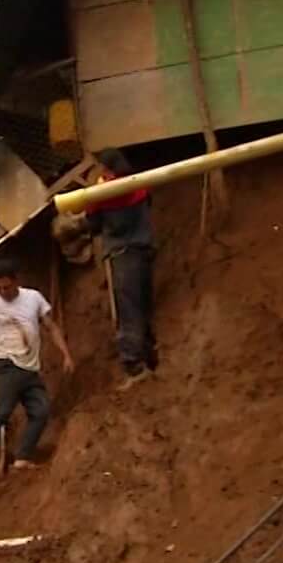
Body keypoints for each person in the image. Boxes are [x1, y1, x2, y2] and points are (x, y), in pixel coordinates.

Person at [0, 260, 73, 483]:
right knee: (2, 411)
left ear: (16, 282)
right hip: (5, 365)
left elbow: (50, 326)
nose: (3, 292)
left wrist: (66, 354)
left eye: (7, 287)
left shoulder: (33, 298)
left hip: (29, 368)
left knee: (41, 411)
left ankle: (22, 458)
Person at [85, 148, 156, 387]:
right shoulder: (140, 185)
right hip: (143, 248)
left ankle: (133, 365)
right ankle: (149, 356)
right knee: (141, 305)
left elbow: (93, 225)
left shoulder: (103, 193)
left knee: (128, 309)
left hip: (122, 253)